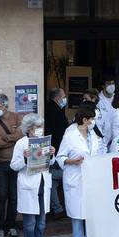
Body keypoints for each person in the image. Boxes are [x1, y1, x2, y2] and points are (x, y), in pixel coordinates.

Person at [56, 107, 104, 237]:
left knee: (91, 213)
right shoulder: (70, 136)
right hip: (75, 178)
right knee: (77, 213)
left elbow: (101, 152)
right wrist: (72, 161)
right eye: (92, 119)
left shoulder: (94, 135)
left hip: (91, 178)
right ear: (85, 120)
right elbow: (60, 157)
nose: (94, 122)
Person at [10, 114, 56, 237]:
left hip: (43, 184)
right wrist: (25, 158)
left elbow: (51, 163)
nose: (40, 130)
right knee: (30, 221)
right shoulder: (21, 143)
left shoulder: (44, 143)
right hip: (29, 185)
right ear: (29, 129)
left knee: (41, 221)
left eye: (41, 127)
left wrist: (52, 155)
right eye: (37, 127)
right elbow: (14, 165)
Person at [0, 93, 24, 237]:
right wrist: (13, 139)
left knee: (14, 197)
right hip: (0, 163)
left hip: (15, 162)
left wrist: (4, 138)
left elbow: (22, 136)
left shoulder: (16, 117)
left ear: (5, 106)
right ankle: (0, 228)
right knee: (1, 196)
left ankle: (11, 226)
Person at [44, 88, 68, 218]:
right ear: (58, 98)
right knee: (56, 178)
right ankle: (57, 207)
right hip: (56, 149)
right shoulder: (56, 111)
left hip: (53, 148)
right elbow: (60, 132)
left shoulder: (50, 109)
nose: (65, 99)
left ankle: (56, 207)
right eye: (64, 96)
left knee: (53, 182)